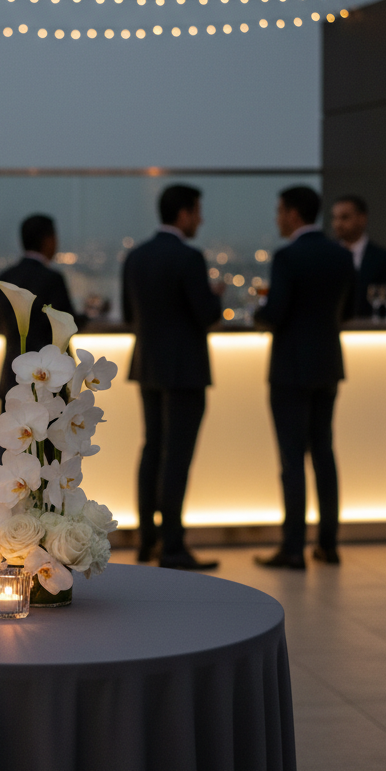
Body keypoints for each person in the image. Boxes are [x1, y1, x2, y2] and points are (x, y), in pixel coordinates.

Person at [121, 184, 223, 571]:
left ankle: (148, 540)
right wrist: (216, 295)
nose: (200, 219)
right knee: (176, 459)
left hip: (148, 365)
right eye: (197, 212)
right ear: (183, 214)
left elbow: (129, 313)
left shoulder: (136, 256)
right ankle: (174, 546)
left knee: (151, 450)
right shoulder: (189, 257)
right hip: (185, 369)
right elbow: (205, 314)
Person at [255, 186, 355, 570]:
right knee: (324, 453)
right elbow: (349, 310)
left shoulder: (287, 257)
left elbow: (275, 313)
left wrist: (260, 313)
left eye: (280, 211)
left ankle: (294, 547)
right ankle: (328, 543)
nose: (278, 218)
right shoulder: (340, 255)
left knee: (292, 459)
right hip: (328, 364)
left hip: (290, 368)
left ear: (294, 214)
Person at [0, 214, 83, 402]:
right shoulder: (52, 279)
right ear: (48, 240)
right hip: (50, 377)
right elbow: (66, 325)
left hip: (13, 375)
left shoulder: (5, 277)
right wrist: (89, 315)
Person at [331, 194, 386, 318]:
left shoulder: (384, 259)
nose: (337, 224)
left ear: (362, 219)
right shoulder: (327, 256)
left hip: (370, 326)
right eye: (334, 218)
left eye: (345, 217)